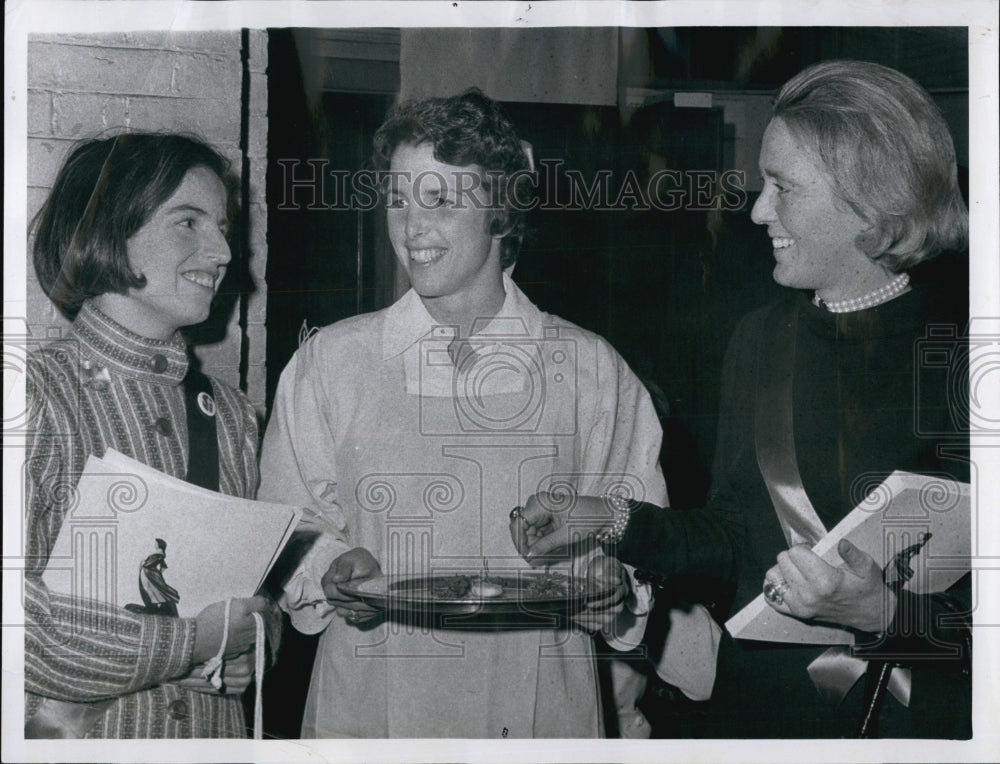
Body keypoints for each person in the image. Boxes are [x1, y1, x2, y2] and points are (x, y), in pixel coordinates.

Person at [513, 60, 971, 738]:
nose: (758, 211)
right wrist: (603, 518)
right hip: (757, 711)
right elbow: (733, 540)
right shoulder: (760, 340)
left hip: (908, 724)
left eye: (783, 188)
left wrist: (885, 615)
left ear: (872, 207)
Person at [258, 89, 668, 738]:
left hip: (536, 710)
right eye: (399, 198)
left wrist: (614, 580)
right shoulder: (328, 364)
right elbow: (292, 527)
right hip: (375, 705)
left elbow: (641, 528)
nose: (411, 228)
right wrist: (331, 569)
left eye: (441, 201)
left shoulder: (590, 371)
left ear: (501, 211)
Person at [25, 133, 273, 738]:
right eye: (188, 222)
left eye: (222, 227)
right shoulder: (34, 395)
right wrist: (190, 642)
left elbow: (253, 599)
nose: (221, 252)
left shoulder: (232, 416)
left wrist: (248, 651)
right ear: (107, 230)